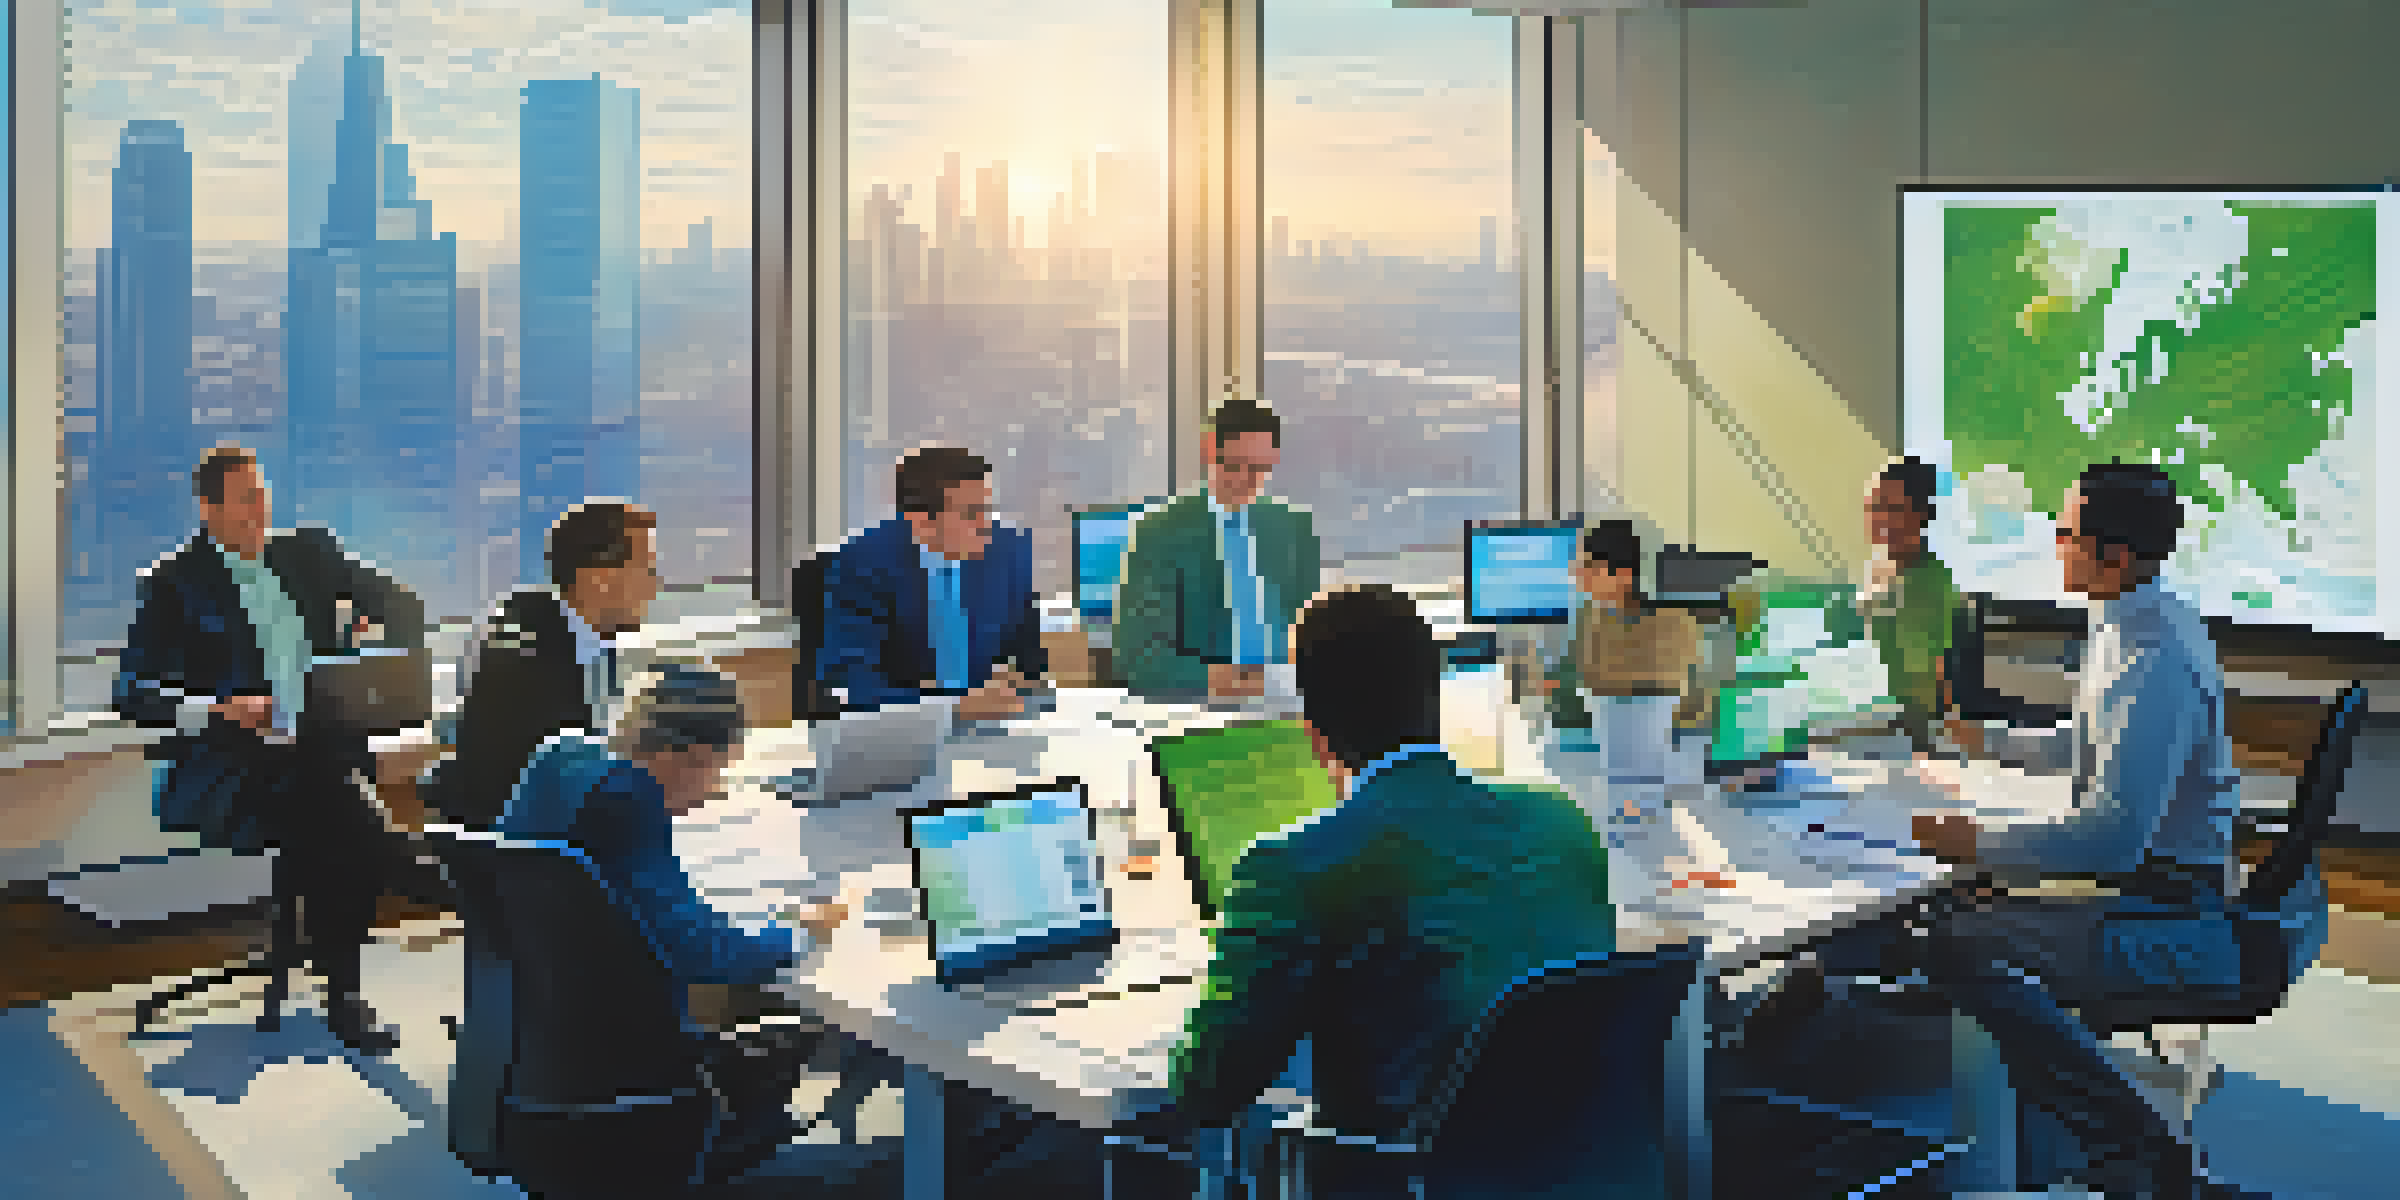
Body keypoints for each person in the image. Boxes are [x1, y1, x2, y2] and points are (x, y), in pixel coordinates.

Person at [1764, 462, 2238, 1198]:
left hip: (2161, 894)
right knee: (1950, 906)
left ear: (2113, 556)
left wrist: (1974, 844)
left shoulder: (2156, 660)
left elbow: (2113, 840)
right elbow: (2087, 746)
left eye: (2067, 532)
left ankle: (2134, 1142)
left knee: (1957, 935)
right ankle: (1812, 1025)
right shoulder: (2128, 621)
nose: (2055, 543)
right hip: (2137, 873)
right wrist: (1993, 740)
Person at [1119, 584, 1618, 1194]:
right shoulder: (1560, 819)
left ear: (1313, 733)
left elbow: (1208, 1088)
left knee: (1155, 1152)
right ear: (1435, 696)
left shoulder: (1289, 866)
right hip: (1585, 1167)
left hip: (1408, 1178)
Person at [114, 444, 425, 1055]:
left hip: (322, 748)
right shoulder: (173, 585)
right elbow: (131, 691)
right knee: (345, 819)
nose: (258, 511)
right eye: (243, 501)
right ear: (207, 510)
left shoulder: (308, 553)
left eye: (262, 495)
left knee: (334, 805)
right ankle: (361, 966)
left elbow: (402, 603)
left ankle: (386, 889)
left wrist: (370, 635)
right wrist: (220, 709)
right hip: (236, 763)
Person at [495, 664, 850, 1185]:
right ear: (680, 756)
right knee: (797, 1033)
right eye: (715, 771)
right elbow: (704, 952)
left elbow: (626, 904)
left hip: (539, 1062)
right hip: (628, 1082)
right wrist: (801, 933)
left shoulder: (560, 757)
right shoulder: (627, 801)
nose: (711, 793)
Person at [431, 501, 663, 828]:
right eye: (648, 570)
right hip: (520, 848)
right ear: (601, 578)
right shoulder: (525, 656)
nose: (655, 586)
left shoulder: (585, 640)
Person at [815, 446, 1047, 720]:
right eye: (972, 514)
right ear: (921, 521)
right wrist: (953, 709)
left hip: (992, 729)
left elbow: (1030, 663)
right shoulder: (863, 564)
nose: (987, 525)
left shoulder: (1010, 551)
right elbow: (850, 680)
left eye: (988, 509)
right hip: (901, 735)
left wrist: (1018, 687)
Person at [1116, 396, 1322, 700]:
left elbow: (1313, 634)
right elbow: (1138, 660)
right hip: (1202, 704)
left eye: (1259, 468)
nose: (1246, 480)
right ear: (1210, 449)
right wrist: (1233, 682)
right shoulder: (1159, 532)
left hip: (1290, 702)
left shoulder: (1294, 528)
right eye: (1235, 465)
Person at [1527, 519, 1708, 730]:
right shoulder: (1591, 618)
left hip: (1657, 741)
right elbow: (1571, 679)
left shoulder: (1673, 624)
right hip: (1604, 736)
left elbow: (1664, 703)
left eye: (1592, 568)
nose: (1580, 578)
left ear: (1623, 575)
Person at [1857, 455, 1964, 747]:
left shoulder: (1931, 582)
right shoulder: (1876, 568)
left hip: (1913, 734)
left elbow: (1936, 677)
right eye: (1874, 506)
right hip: (1868, 723)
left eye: (1893, 508)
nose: (1880, 518)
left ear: (1920, 514)